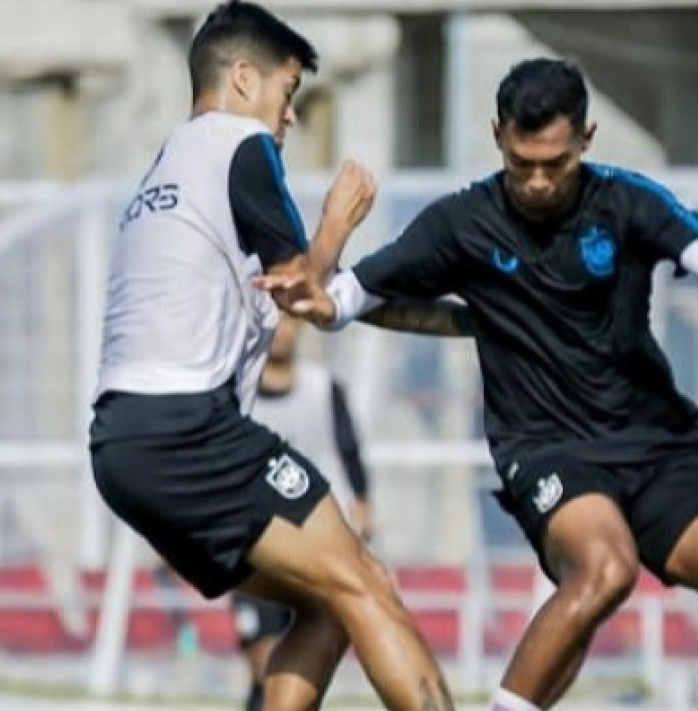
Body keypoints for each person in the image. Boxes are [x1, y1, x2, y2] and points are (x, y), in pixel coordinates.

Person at [261, 58, 698, 711]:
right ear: (497, 137)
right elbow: (337, 303)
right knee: (604, 569)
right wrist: (329, 237)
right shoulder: (461, 222)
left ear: (586, 140)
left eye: (555, 164)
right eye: (521, 163)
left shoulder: (624, 199)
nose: (537, 182)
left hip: (654, 441)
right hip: (546, 445)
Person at [87, 3, 454, 709]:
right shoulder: (238, 144)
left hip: (120, 444)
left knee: (325, 604)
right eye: (289, 96)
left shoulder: (170, 165)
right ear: (245, 79)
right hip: (186, 429)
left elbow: (291, 295)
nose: (289, 119)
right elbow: (302, 291)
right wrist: (336, 224)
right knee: (367, 582)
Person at [232, 313, 375, 711]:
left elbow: (351, 456)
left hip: (316, 547)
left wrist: (363, 506)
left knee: (305, 667)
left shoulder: (323, 389)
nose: (283, 330)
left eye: (291, 321)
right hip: (257, 549)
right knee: (263, 669)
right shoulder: (239, 393)